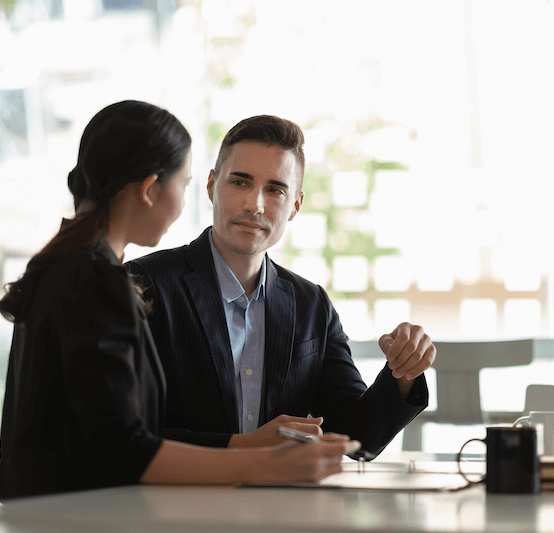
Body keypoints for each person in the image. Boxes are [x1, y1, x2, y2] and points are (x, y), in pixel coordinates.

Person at [0, 102, 358, 500]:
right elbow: (123, 450)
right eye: (183, 185)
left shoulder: (82, 269)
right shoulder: (94, 280)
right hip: (70, 520)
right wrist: (266, 460)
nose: (185, 203)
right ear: (151, 189)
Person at [125, 115, 435, 457]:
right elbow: (124, 431)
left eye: (275, 190)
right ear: (212, 185)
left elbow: (354, 437)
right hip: (170, 503)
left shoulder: (311, 304)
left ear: (295, 206)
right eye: (240, 182)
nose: (254, 205)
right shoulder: (143, 285)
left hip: (280, 505)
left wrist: (403, 373)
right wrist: (240, 447)